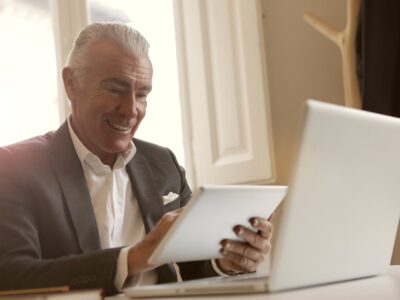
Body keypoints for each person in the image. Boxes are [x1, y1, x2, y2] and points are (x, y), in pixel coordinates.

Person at [0, 23, 273, 295]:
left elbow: (195, 270)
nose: (131, 110)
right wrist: (133, 259)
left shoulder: (164, 164)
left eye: (142, 94)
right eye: (115, 89)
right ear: (72, 83)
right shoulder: (14, 167)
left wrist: (227, 260)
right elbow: (12, 274)